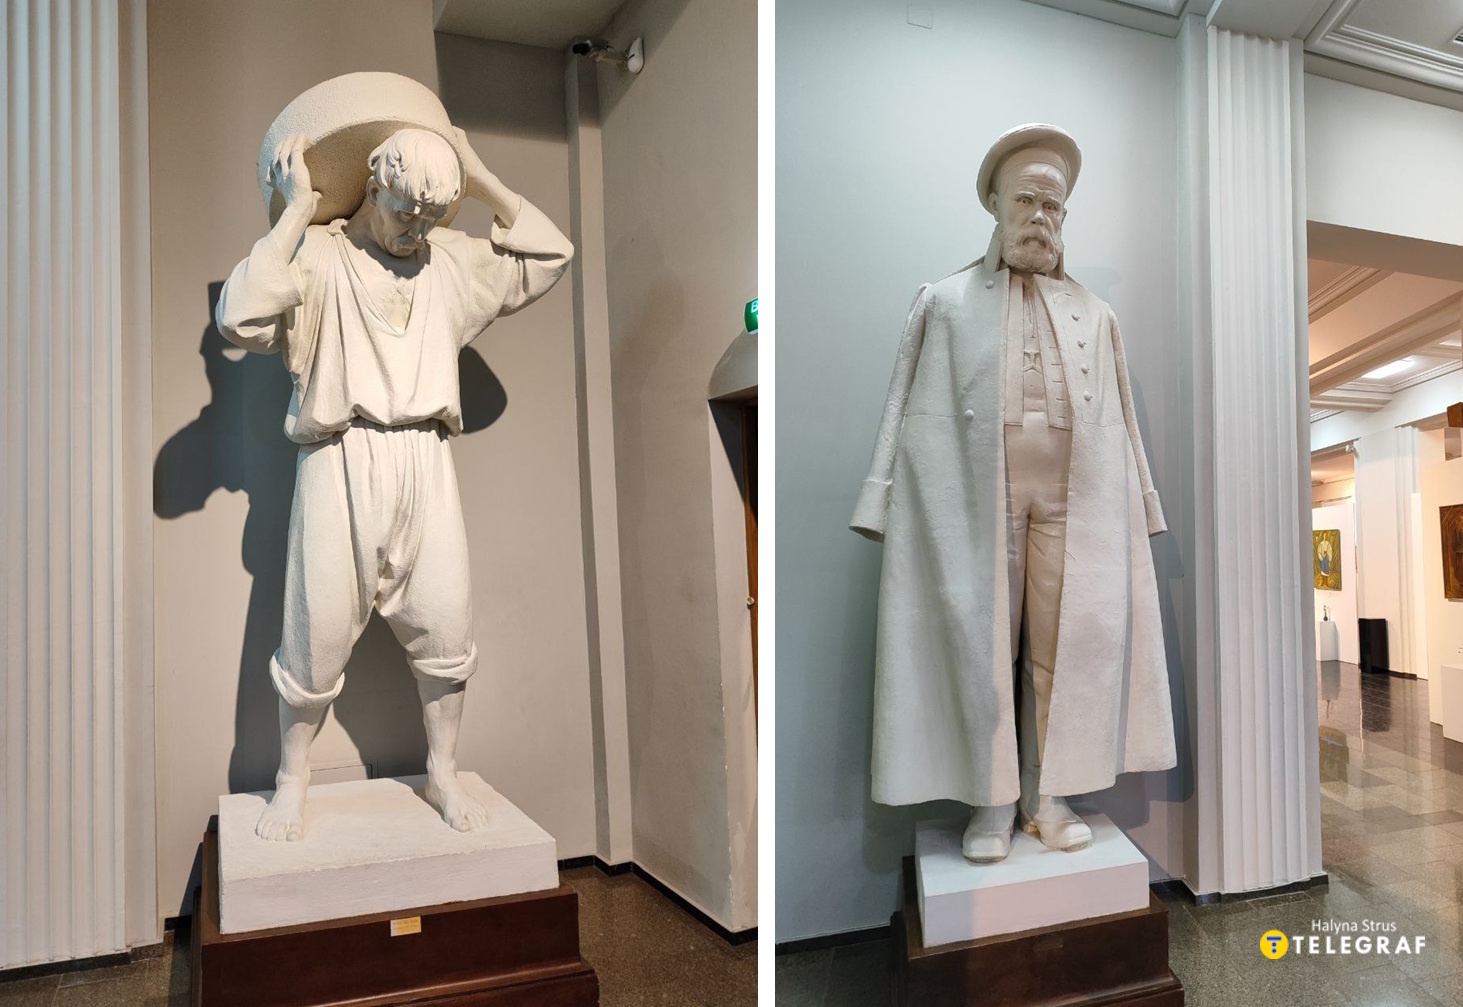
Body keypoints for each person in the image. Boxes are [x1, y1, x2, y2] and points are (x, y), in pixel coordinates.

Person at [216, 127, 573, 841]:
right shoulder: (318, 256)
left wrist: (479, 177)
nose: (416, 229)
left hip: (425, 460)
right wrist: (296, 210)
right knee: (314, 632)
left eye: (432, 216)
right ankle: (293, 779)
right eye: (405, 211)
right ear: (372, 187)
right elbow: (239, 316)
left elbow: (550, 254)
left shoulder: (450, 263)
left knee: (446, 626)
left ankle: (442, 771)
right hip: (339, 458)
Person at [850, 124, 1175, 863]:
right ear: (995, 204)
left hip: (1078, 497)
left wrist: (1143, 500)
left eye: (1052, 206)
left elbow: (1122, 415)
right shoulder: (943, 301)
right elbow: (900, 401)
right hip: (974, 494)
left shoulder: (1097, 313)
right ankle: (990, 802)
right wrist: (879, 496)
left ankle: (1048, 797)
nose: (1038, 217)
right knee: (981, 643)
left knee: (1068, 647)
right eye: (1025, 200)